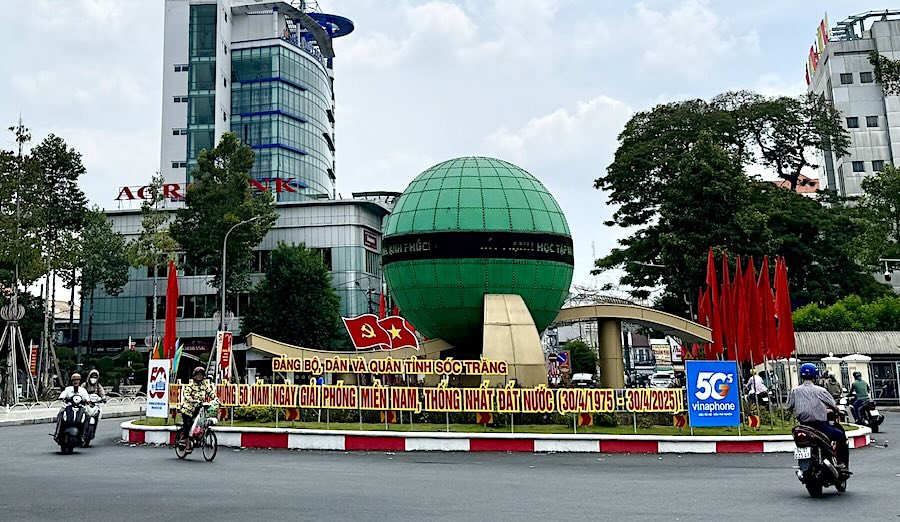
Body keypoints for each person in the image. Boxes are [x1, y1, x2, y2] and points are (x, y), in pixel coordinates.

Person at [786, 363, 849, 469]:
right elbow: (833, 404)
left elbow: (788, 406)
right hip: (819, 426)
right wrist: (838, 411)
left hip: (803, 426)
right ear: (815, 375)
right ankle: (842, 463)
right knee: (840, 436)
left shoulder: (794, 391)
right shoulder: (820, 390)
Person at [179, 367, 216, 452]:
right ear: (195, 376)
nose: (200, 377)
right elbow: (186, 394)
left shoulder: (204, 385)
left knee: (201, 423)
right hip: (188, 409)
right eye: (198, 375)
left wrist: (216, 399)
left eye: (201, 375)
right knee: (188, 425)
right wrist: (191, 400)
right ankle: (187, 444)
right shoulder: (190, 385)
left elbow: (210, 393)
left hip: (198, 409)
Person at [55, 373, 90, 440]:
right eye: (74, 380)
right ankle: (57, 433)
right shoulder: (68, 389)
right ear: (72, 381)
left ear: (80, 381)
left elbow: (87, 398)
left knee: (87, 415)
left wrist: (87, 401)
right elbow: (63, 394)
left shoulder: (83, 390)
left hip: (80, 407)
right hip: (69, 406)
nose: (76, 381)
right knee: (61, 413)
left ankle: (84, 435)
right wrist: (61, 397)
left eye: (77, 380)